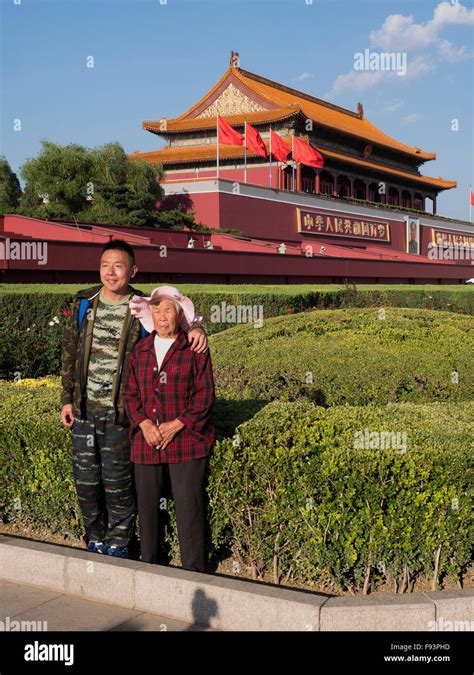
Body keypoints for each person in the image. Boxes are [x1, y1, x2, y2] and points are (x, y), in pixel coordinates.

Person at [60, 240, 208, 558]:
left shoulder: (140, 309)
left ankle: (119, 543)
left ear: (132, 270)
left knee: (118, 482)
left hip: (120, 413)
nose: (111, 272)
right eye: (105, 265)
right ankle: (95, 539)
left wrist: (199, 328)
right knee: (86, 482)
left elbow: (176, 322)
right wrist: (67, 399)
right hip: (85, 409)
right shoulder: (84, 303)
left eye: (118, 266)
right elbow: (70, 353)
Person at [123, 286, 215, 572]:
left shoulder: (194, 347)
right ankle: (150, 566)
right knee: (148, 509)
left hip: (186, 439)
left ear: (179, 314)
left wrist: (176, 426)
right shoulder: (140, 350)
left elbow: (204, 396)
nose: (162, 317)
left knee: (189, 508)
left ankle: (194, 571)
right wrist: (146, 424)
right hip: (146, 440)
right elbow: (130, 394)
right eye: (157, 311)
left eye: (168, 311)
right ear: (150, 315)